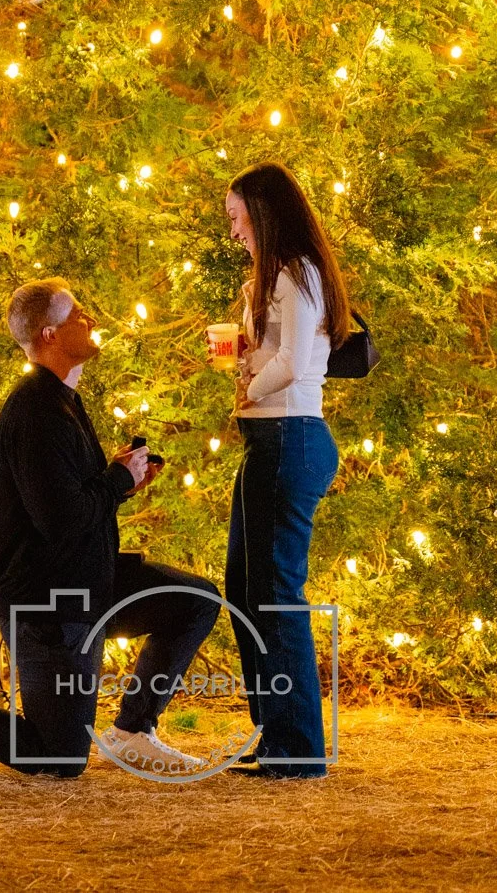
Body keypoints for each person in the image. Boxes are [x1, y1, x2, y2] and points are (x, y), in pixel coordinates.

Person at [0, 278, 221, 778]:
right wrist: (116, 479)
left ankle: (131, 729)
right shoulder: (37, 411)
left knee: (196, 600)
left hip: (88, 581)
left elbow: (75, 504)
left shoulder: (63, 400)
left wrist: (120, 483)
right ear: (51, 334)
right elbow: (61, 522)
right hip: (48, 603)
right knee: (58, 756)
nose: (92, 321)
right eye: (79, 315)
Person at [212, 162, 349, 779]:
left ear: (263, 213)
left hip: (289, 437)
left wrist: (247, 384)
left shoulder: (297, 273)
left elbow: (291, 364)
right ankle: (276, 732)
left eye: (238, 219)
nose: (235, 231)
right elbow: (275, 350)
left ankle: (297, 749)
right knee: (244, 588)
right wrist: (245, 338)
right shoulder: (274, 280)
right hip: (268, 443)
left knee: (275, 594)